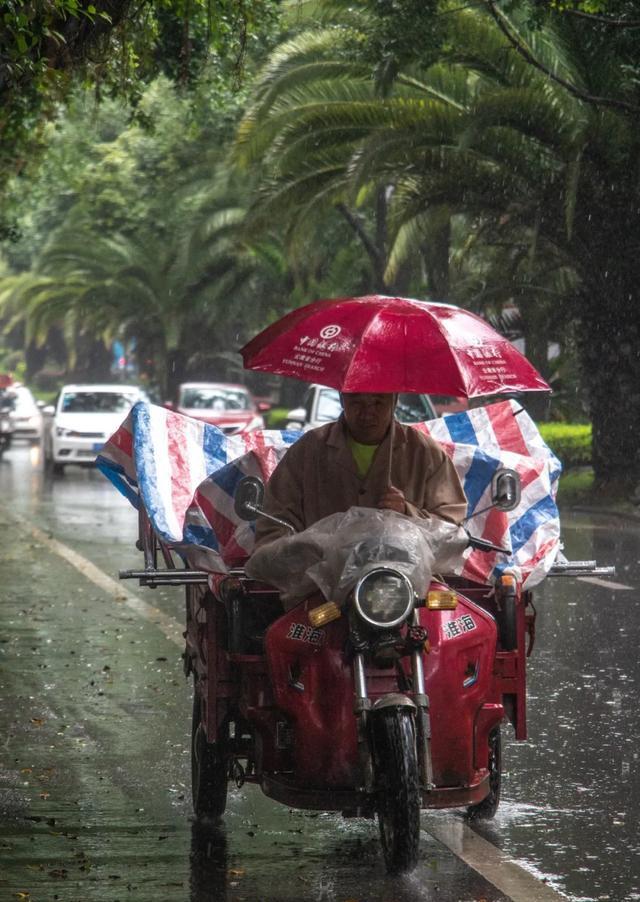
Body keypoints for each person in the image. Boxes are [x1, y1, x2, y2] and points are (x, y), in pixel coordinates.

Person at [253, 392, 467, 552]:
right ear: (342, 398)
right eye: (356, 402)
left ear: (394, 400)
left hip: (407, 588)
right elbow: (274, 523)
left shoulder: (426, 453)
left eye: (378, 402)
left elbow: (450, 529)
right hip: (319, 590)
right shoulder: (309, 450)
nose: (367, 413)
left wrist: (407, 511)